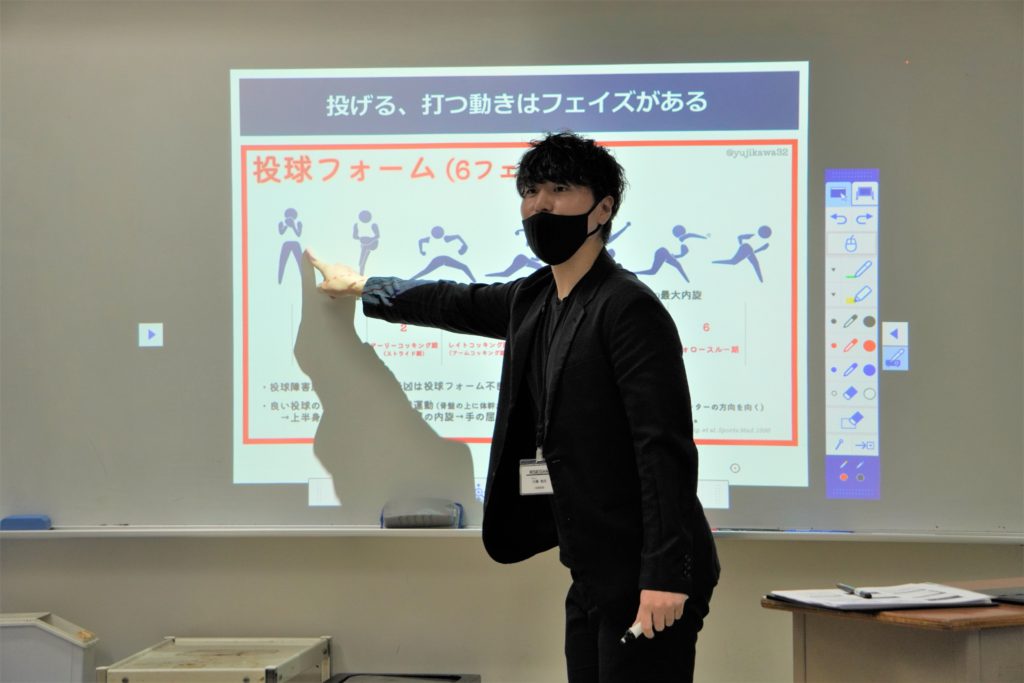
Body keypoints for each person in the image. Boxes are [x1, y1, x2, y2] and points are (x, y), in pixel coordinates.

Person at [307, 131, 719, 683]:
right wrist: (362, 286)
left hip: (646, 574)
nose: (540, 205)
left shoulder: (627, 308)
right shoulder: (537, 298)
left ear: (603, 208)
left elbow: (662, 449)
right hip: (590, 572)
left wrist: (666, 575)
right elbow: (454, 302)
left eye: (559, 189)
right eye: (530, 191)